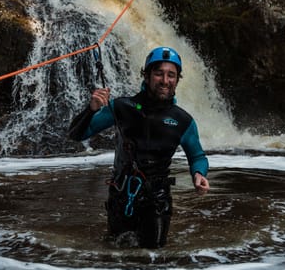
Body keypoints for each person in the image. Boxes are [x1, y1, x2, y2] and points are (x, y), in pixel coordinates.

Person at [69, 46, 210, 249]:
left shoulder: (183, 120)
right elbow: (77, 134)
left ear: (178, 79)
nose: (165, 80)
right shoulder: (121, 108)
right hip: (120, 195)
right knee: (116, 256)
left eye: (171, 75)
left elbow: (197, 156)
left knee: (154, 259)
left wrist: (199, 174)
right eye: (159, 73)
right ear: (146, 75)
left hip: (158, 200)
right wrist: (91, 109)